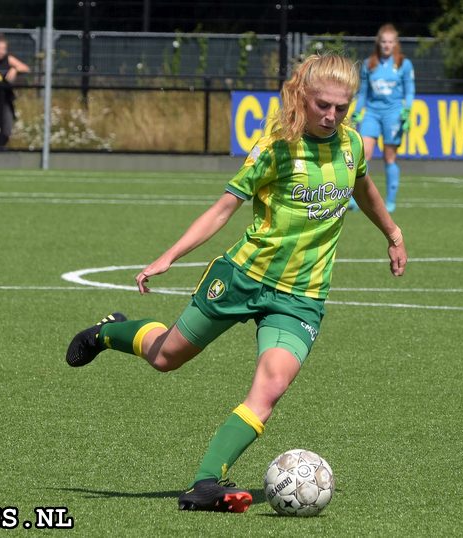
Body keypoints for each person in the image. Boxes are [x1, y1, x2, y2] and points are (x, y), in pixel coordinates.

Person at [65, 54, 407, 513]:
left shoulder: (351, 146)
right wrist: (169, 256)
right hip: (242, 278)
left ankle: (206, 482)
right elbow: (222, 209)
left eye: (341, 108)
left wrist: (392, 232)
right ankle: (107, 331)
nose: (331, 116)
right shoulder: (275, 148)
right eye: (322, 105)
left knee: (271, 387)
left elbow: (363, 187)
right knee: (167, 358)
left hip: (301, 297)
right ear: (302, 96)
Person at [350, 24, 415, 213]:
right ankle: (357, 198)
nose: (387, 45)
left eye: (390, 42)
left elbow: (410, 91)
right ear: (378, 43)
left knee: (389, 157)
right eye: (384, 42)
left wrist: (407, 110)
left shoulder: (403, 64)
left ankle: (391, 201)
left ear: (396, 44)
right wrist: (356, 111)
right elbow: (363, 92)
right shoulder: (369, 63)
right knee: (363, 154)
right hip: (372, 113)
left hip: (393, 114)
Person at [0, 34, 29, 150]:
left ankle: (2, 147)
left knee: (7, 127)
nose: (1, 52)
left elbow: (26, 68)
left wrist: (15, 69)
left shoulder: (9, 59)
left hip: (6, 99)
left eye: (4, 49)